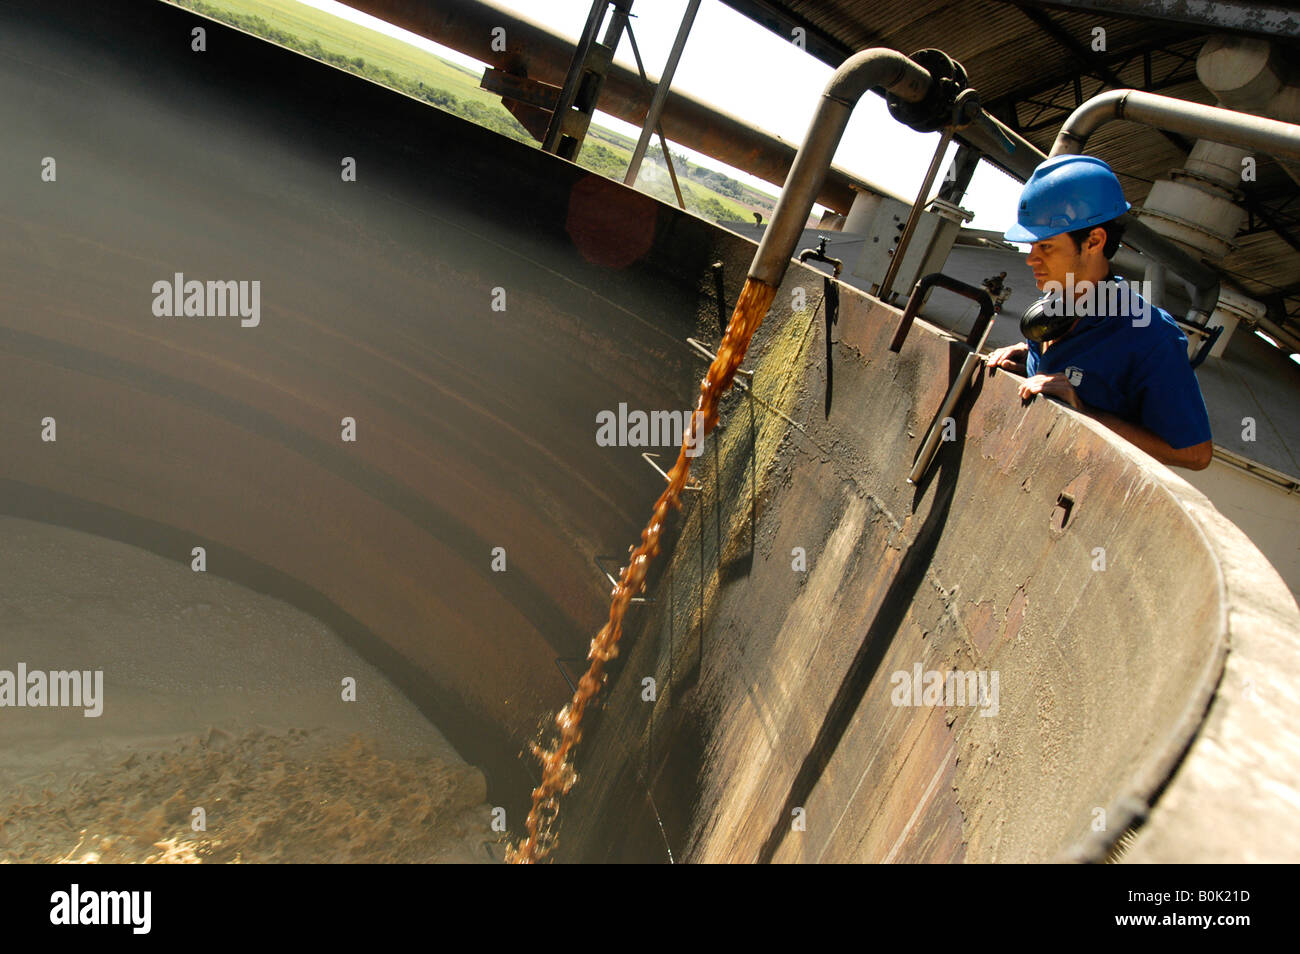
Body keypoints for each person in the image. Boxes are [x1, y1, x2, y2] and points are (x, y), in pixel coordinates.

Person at [986, 155, 1213, 471]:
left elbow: (1195, 454)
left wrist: (1084, 413)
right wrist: (1027, 355)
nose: (1031, 259)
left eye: (1046, 246)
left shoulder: (1148, 335)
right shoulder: (1051, 313)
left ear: (1094, 241)